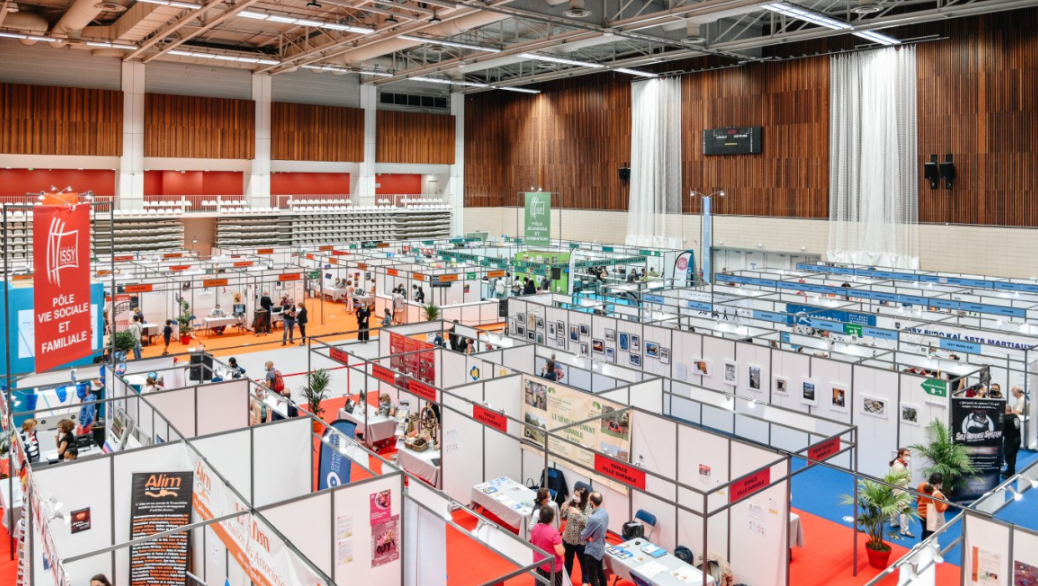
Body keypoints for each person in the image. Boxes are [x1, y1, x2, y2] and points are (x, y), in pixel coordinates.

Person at [561, 487, 590, 586]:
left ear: (583, 497)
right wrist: (563, 510)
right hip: (568, 538)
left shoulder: (588, 507)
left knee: (584, 563)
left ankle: (585, 581)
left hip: (581, 541)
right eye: (574, 494)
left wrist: (578, 513)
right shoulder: (571, 503)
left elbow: (588, 522)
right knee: (568, 561)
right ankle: (566, 580)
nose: (574, 497)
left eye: (577, 495)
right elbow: (564, 517)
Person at [530, 506, 566, 586]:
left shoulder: (535, 528)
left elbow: (534, 543)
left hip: (539, 563)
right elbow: (560, 552)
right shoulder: (553, 533)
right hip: (552, 566)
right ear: (552, 518)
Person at [580, 492, 609, 586]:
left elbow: (583, 535)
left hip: (592, 552)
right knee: (601, 573)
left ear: (591, 502)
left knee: (593, 579)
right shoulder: (604, 513)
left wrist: (588, 536)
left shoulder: (593, 519)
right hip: (600, 548)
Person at [888, 448, 915, 538]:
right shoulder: (899, 466)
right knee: (905, 509)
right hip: (900, 489)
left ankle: (893, 522)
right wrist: (907, 479)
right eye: (906, 455)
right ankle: (904, 530)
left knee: (896, 505)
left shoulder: (899, 463)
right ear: (900, 455)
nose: (908, 457)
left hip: (898, 489)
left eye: (909, 455)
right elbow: (897, 480)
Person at [916, 473, 949, 541]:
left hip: (920, 514)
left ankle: (922, 547)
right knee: (930, 534)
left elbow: (918, 498)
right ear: (939, 483)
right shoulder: (937, 494)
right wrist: (946, 503)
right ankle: (927, 549)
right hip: (930, 517)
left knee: (924, 531)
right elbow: (940, 509)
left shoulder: (921, 485)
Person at [1004, 403, 1022, 478]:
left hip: (1011, 440)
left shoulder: (1006, 418)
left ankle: (1010, 473)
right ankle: (1010, 470)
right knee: (1012, 455)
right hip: (1017, 438)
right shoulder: (1015, 415)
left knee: (1009, 456)